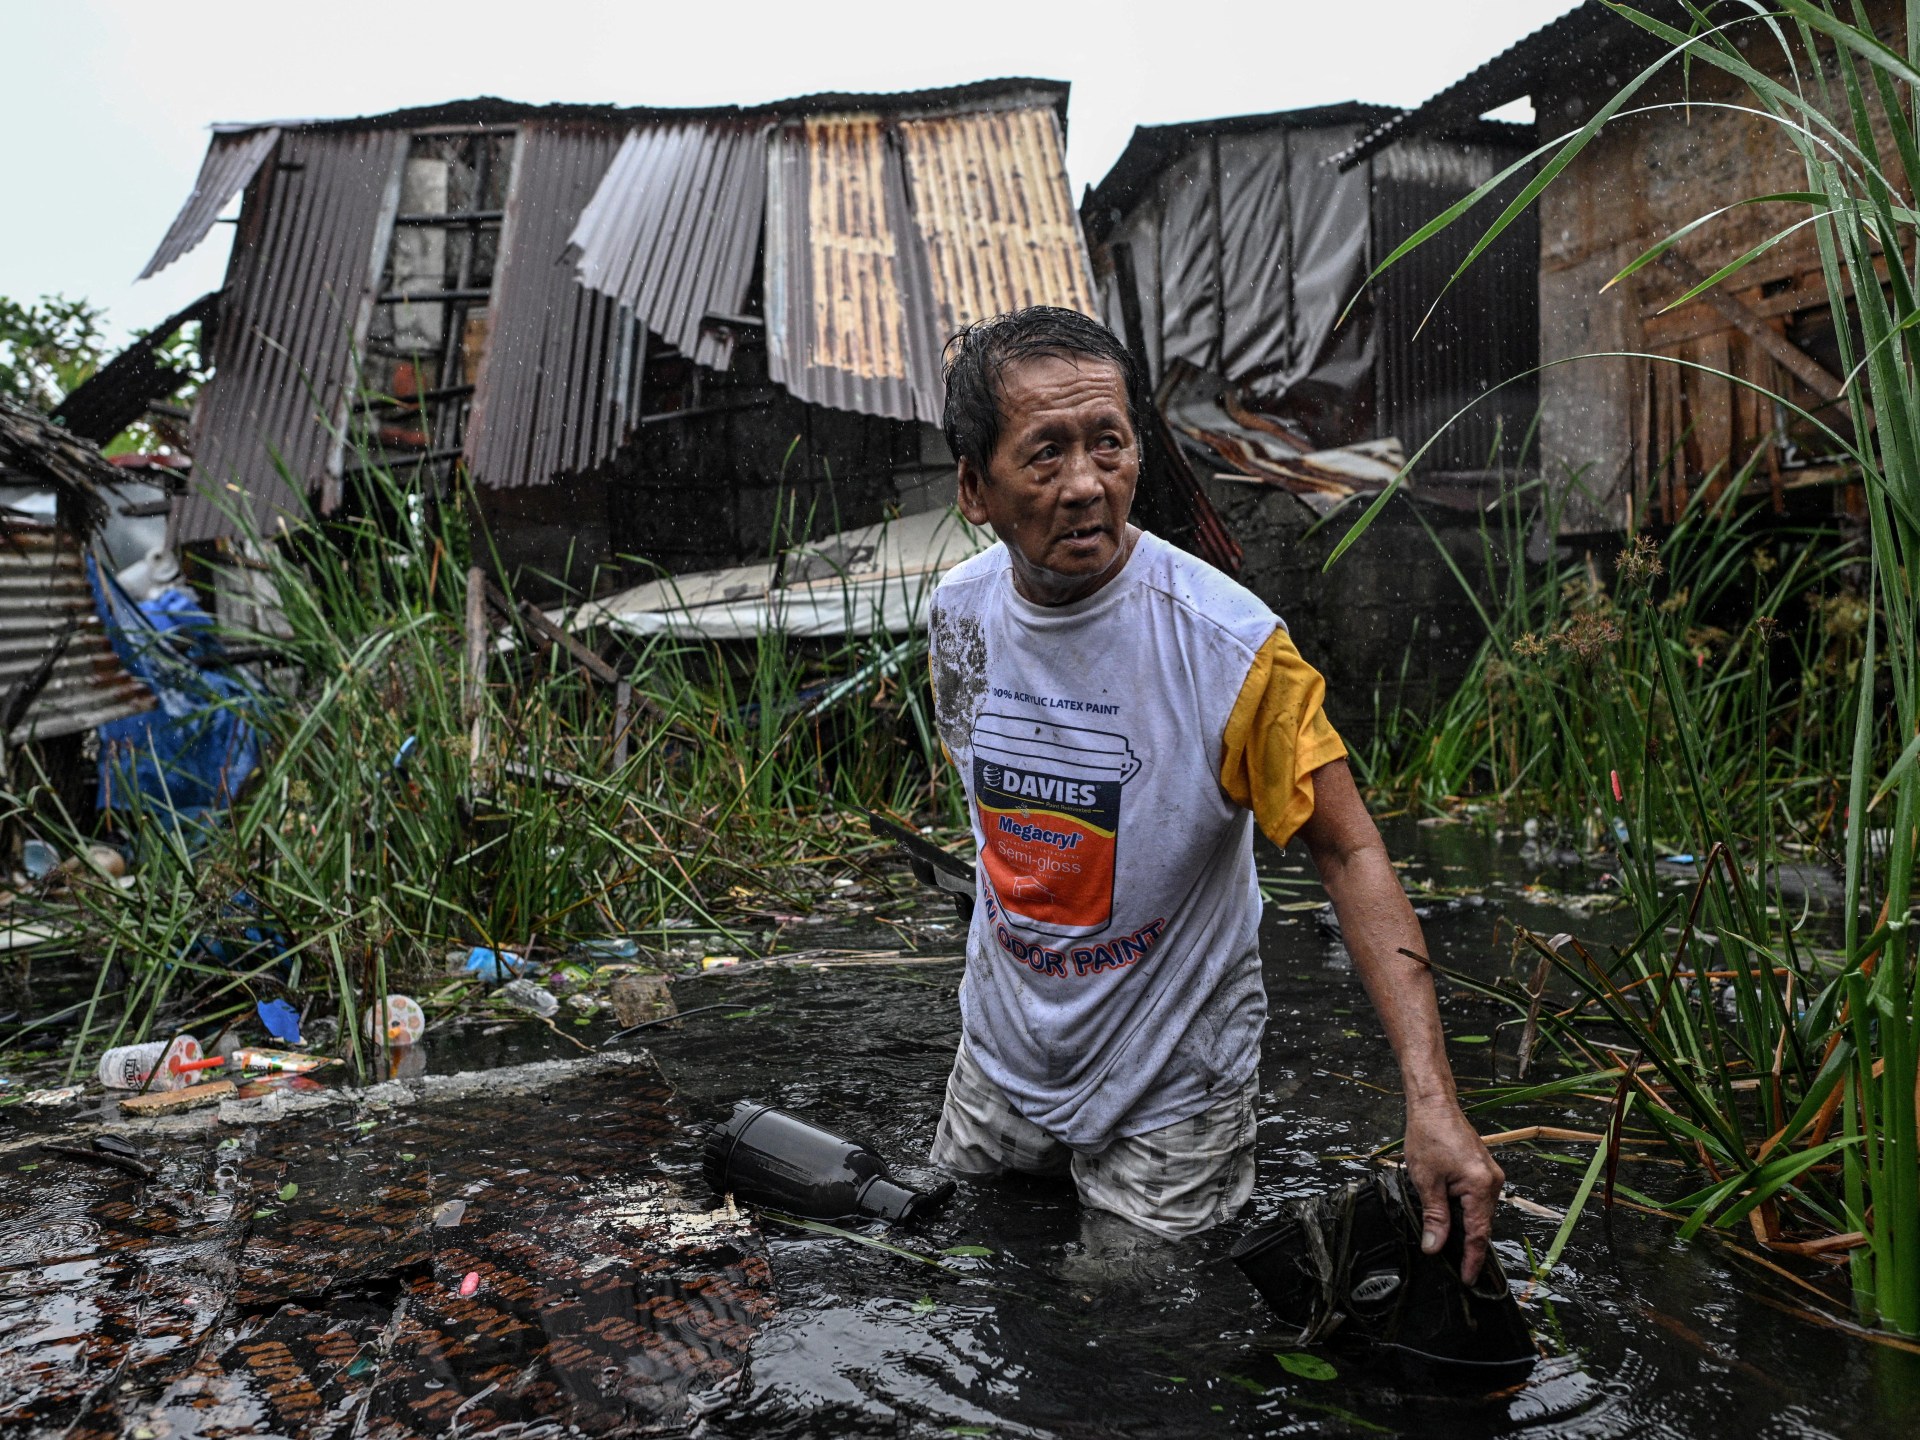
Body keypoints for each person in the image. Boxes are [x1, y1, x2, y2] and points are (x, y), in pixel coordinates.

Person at [925, 306, 1504, 1281]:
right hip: (998, 1059)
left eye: (1108, 443)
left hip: (1170, 1091)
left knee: (1136, 1332)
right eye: (1046, 453)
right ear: (975, 488)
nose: (1085, 483)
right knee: (965, 1273)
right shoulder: (959, 614)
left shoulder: (1229, 648)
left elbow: (1350, 851)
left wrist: (1433, 1101)